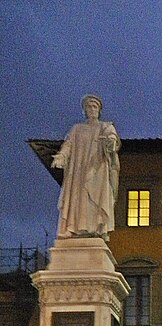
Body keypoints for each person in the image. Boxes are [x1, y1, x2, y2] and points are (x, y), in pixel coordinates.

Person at [51, 95, 121, 240]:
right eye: (89, 107)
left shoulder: (105, 126)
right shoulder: (77, 129)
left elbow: (112, 138)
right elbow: (68, 145)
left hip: (97, 170)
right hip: (78, 171)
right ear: (85, 110)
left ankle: (97, 228)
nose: (92, 109)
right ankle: (73, 228)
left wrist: (110, 143)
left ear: (99, 110)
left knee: (95, 199)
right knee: (77, 198)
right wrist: (61, 157)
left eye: (95, 107)